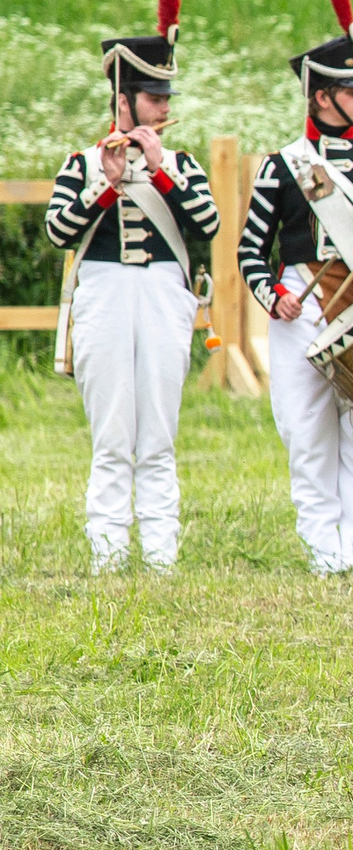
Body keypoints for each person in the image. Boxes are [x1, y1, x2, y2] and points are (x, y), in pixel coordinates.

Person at [237, 27, 353, 576]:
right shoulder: (281, 166)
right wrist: (273, 296)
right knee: (307, 434)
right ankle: (325, 556)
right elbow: (251, 250)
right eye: (352, 90)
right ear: (322, 96)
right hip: (300, 308)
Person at [46, 29, 220, 573]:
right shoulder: (82, 163)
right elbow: (58, 231)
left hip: (164, 293)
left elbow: (208, 225)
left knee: (159, 434)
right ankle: (108, 553)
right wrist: (106, 183)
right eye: (153, 98)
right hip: (104, 293)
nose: (164, 108)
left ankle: (162, 555)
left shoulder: (182, 164)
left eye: (166, 98)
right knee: (112, 434)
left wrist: (160, 170)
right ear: (124, 101)